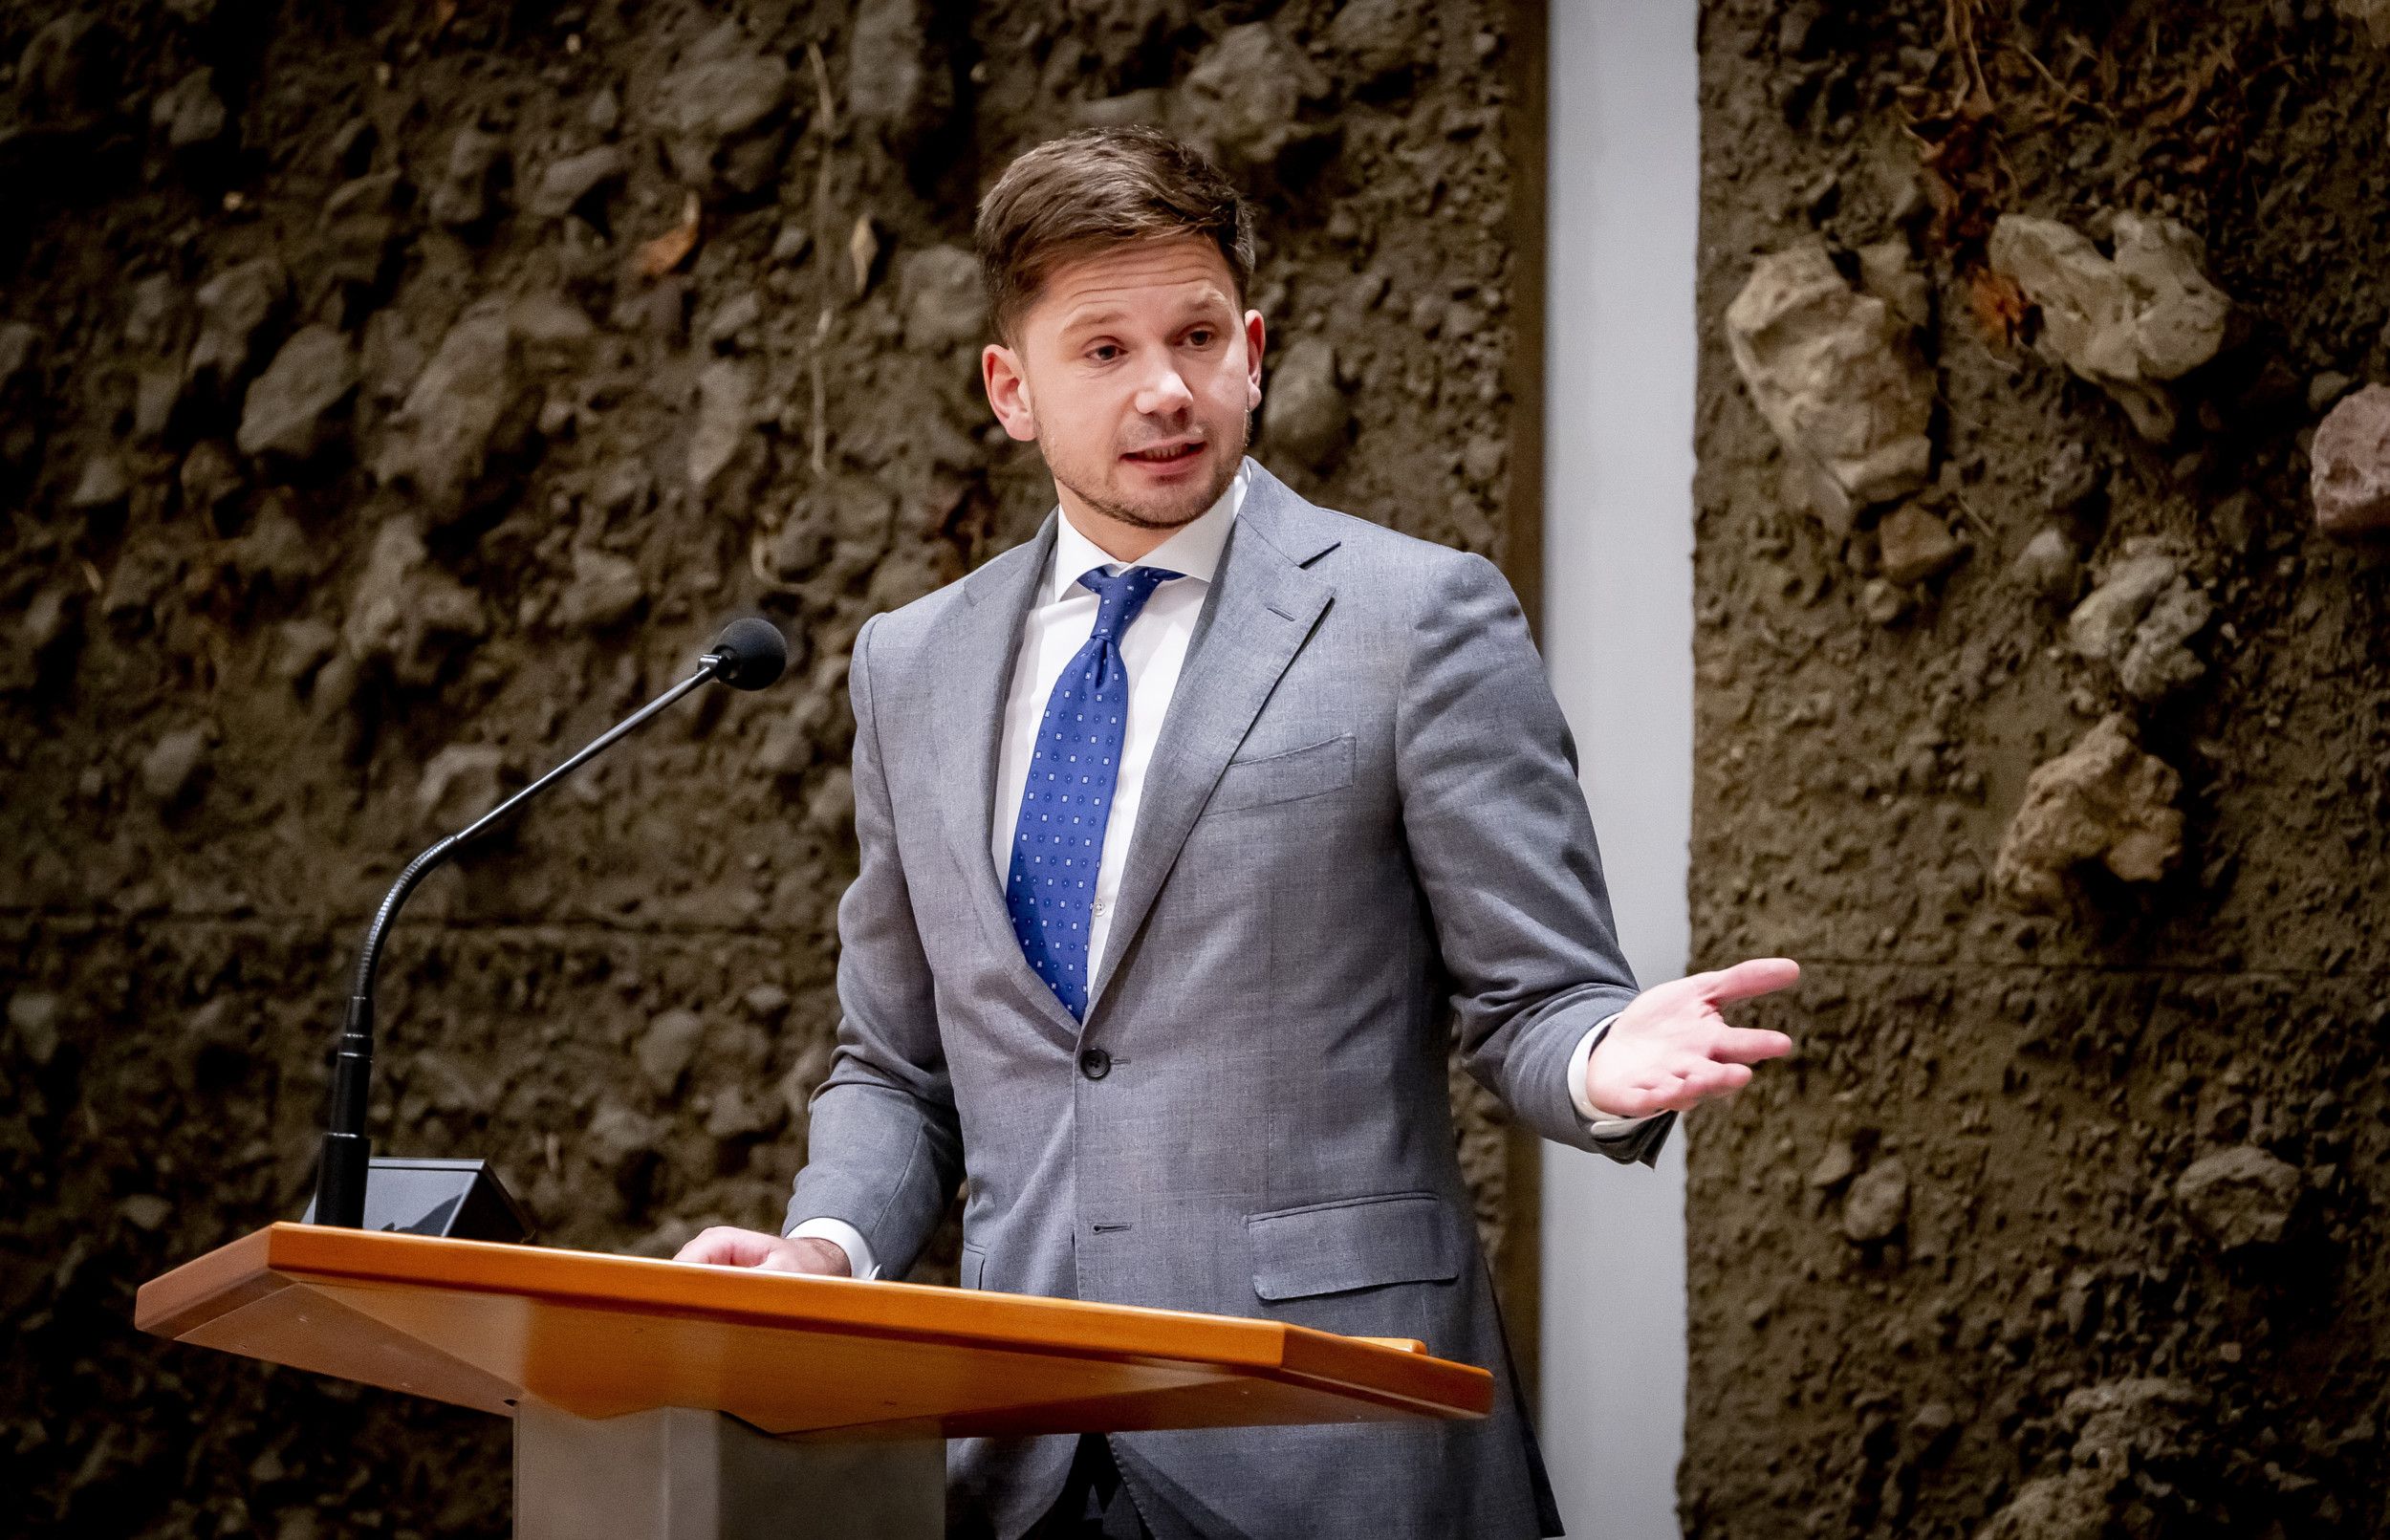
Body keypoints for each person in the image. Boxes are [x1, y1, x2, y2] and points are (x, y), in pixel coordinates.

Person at [674, 124, 1796, 1539]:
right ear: (1009, 390)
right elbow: (897, 1066)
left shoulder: (1416, 621)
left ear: (1253, 349)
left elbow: (1536, 995)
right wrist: (826, 1248)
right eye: (1104, 351)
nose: (1165, 389)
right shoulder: (914, 664)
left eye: (1199, 335)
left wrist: (1594, 1053)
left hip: (1330, 1442)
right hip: (1017, 1458)